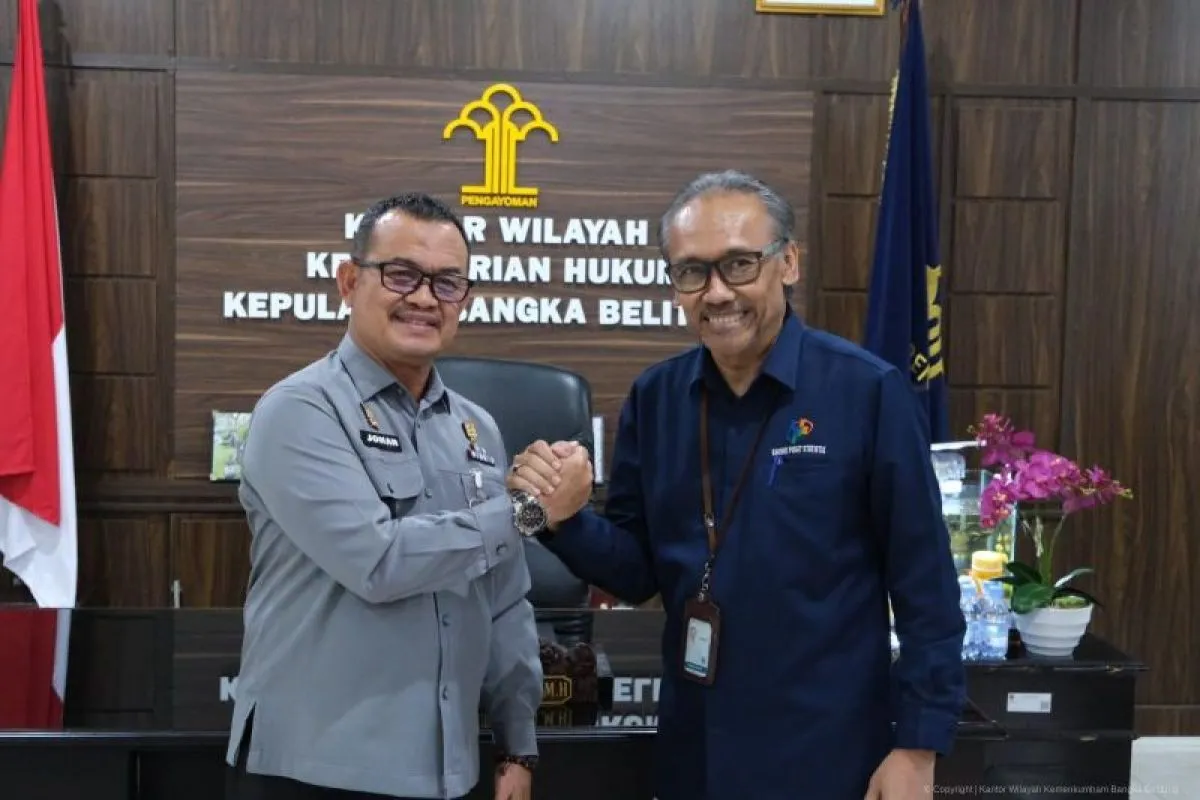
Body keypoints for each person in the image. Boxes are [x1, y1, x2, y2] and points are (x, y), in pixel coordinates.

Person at [507, 171, 967, 800]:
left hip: (828, 750)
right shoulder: (657, 398)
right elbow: (637, 574)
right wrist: (556, 518)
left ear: (788, 262)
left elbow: (926, 586)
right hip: (694, 747)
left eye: (740, 265)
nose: (717, 292)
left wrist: (917, 745)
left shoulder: (867, 392)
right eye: (692, 272)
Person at [224, 192, 590, 800]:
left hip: (448, 771)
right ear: (349, 282)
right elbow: (380, 562)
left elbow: (504, 599)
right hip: (314, 769)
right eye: (401, 274)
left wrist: (517, 744)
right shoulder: (300, 411)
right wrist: (532, 511)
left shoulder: (477, 429)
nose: (424, 298)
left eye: (447, 283)